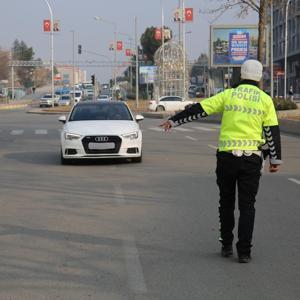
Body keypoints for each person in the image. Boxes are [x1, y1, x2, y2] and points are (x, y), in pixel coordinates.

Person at [160, 59, 282, 263]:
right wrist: (275, 159)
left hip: (226, 158)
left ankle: (226, 244)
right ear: (260, 77)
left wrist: (174, 121)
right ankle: (244, 252)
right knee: (247, 207)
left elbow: (201, 109)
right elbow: (272, 132)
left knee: (225, 203)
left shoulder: (229, 94)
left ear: (241, 75)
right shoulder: (264, 100)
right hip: (251, 158)